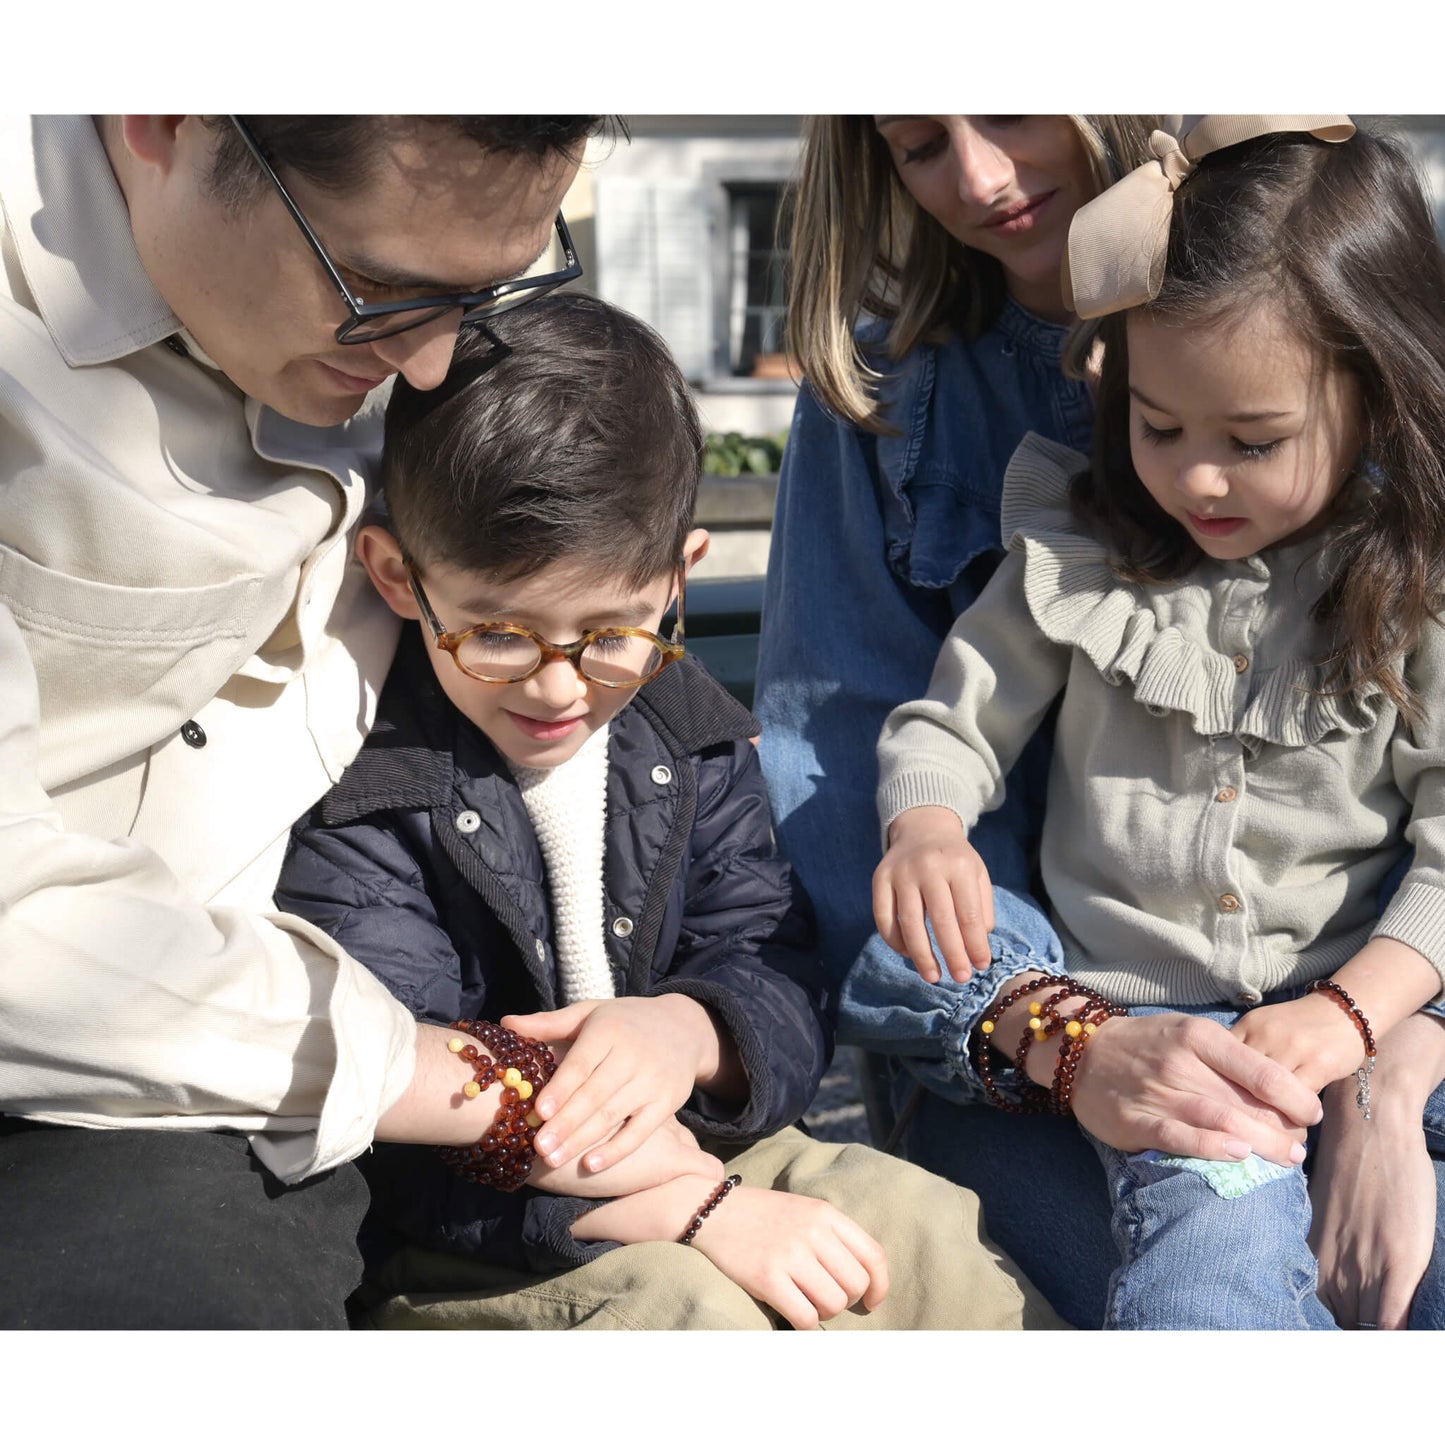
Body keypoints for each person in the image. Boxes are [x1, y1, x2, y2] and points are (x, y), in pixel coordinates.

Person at [273, 293, 1059, 1331]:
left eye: (608, 632)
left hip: (707, 1146)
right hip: (473, 1225)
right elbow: (400, 1078)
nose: (555, 687)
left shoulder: (690, 734)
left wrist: (686, 1030)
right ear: (398, 576)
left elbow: (767, 952)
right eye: (497, 634)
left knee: (922, 1228)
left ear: (674, 580)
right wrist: (695, 1204)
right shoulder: (369, 781)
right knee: (693, 1314)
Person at [0, 113, 637, 1329]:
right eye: (380, 287)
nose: (435, 365)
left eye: (483, 293)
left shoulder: (370, 313)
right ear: (163, 120)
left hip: (237, 1116)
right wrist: (471, 1081)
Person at [872, 115, 1445, 1329]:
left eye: (1252, 441)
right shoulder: (1081, 554)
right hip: (1160, 1051)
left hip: (1357, 1027)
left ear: (1376, 392)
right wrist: (925, 827)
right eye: (1157, 427)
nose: (1194, 479)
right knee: (1207, 1271)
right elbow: (950, 719)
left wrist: (1352, 1017)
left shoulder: (1408, 592)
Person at [753, 114, 1169, 1324]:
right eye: (918, 144)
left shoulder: (1328, 321)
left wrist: (1383, 1035)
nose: (978, 179)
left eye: (1010, 104)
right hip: (1018, 1046)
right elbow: (835, 763)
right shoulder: (883, 400)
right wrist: (1058, 1039)